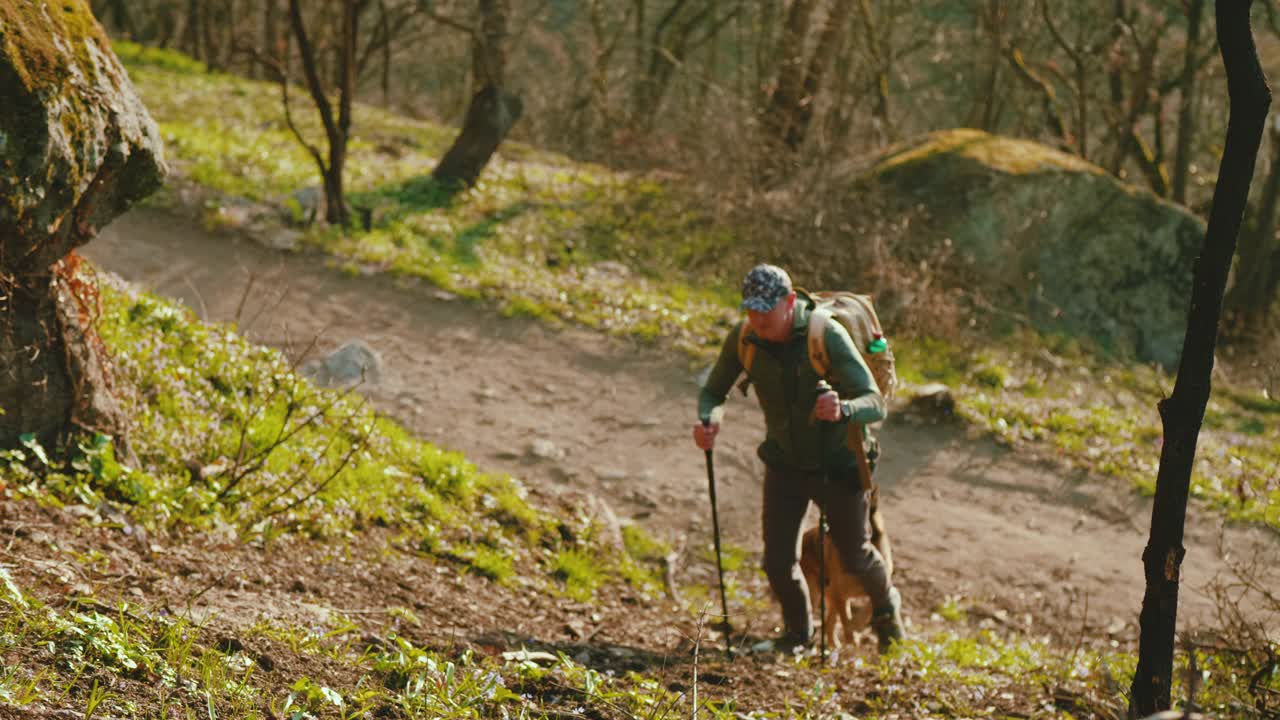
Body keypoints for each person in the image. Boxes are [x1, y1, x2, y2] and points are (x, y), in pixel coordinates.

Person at [692, 264, 906, 654]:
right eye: (751, 310)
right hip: (785, 465)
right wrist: (709, 420)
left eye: (766, 311)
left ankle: (888, 610)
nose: (757, 320)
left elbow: (874, 402)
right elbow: (713, 393)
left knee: (856, 555)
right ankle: (798, 635)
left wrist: (842, 408)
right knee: (776, 561)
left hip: (839, 464)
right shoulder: (745, 339)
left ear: (790, 303)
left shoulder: (827, 336)